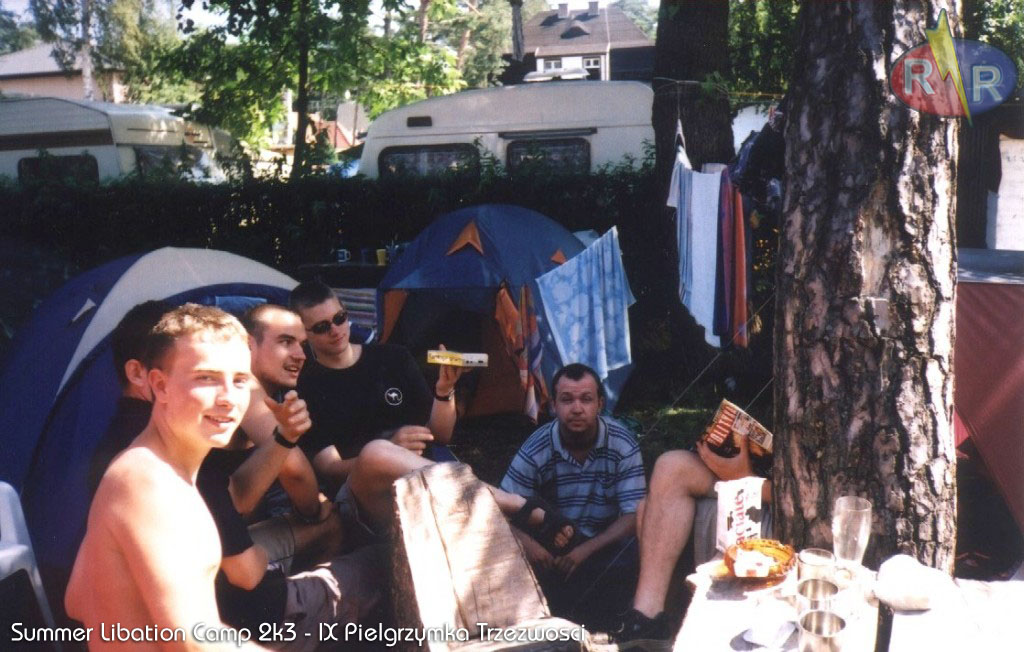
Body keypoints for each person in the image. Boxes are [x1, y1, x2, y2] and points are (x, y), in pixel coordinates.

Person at [65, 304, 264, 650]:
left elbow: (77, 598)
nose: (229, 398)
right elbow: (194, 641)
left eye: (240, 380)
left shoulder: (145, 467)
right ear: (160, 385)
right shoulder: (149, 485)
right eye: (206, 378)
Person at [197, 304, 382, 648]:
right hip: (223, 564)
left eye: (302, 344)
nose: (300, 355)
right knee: (347, 536)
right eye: (285, 342)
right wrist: (314, 510)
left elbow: (239, 494)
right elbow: (294, 470)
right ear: (248, 345)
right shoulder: (246, 390)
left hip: (225, 545)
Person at [499, 363, 646, 631]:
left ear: (600, 404)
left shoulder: (622, 444)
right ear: (553, 405)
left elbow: (633, 515)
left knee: (634, 553)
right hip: (551, 549)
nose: (577, 409)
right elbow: (500, 507)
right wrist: (530, 546)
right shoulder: (536, 448)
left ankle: (618, 623)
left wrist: (586, 550)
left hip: (604, 545)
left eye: (586, 399)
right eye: (567, 400)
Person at [288, 280, 462, 491]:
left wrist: (444, 392)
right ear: (303, 334)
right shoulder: (306, 386)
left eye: (340, 318)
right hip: (369, 492)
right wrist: (390, 451)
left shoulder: (394, 358)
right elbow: (330, 469)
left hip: (426, 483)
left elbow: (441, 435)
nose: (335, 330)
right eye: (322, 327)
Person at [614, 431, 771, 643]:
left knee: (653, 504)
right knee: (668, 471)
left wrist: (745, 477)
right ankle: (647, 617)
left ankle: (651, 625)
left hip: (772, 506)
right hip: (757, 477)